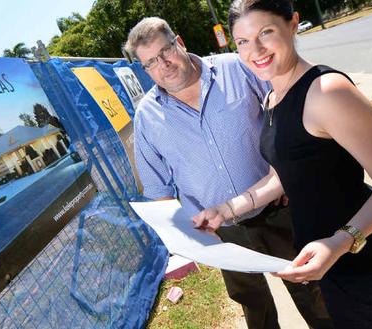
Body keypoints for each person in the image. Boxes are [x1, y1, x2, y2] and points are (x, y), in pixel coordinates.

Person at [192, 1, 372, 327]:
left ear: (293, 23)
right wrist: (226, 210)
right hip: (326, 253)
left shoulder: (326, 91)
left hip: (359, 251)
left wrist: (340, 242)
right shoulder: (272, 97)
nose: (255, 50)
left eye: (266, 32)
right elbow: (281, 175)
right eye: (242, 41)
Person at [125, 17, 332, 329]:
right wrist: (184, 236)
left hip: (279, 208)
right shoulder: (147, 118)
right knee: (254, 307)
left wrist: (289, 173)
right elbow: (158, 191)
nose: (162, 65)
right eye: (150, 62)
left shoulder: (235, 69)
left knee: (312, 291)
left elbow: (287, 113)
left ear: (179, 43)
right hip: (223, 234)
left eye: (165, 51)